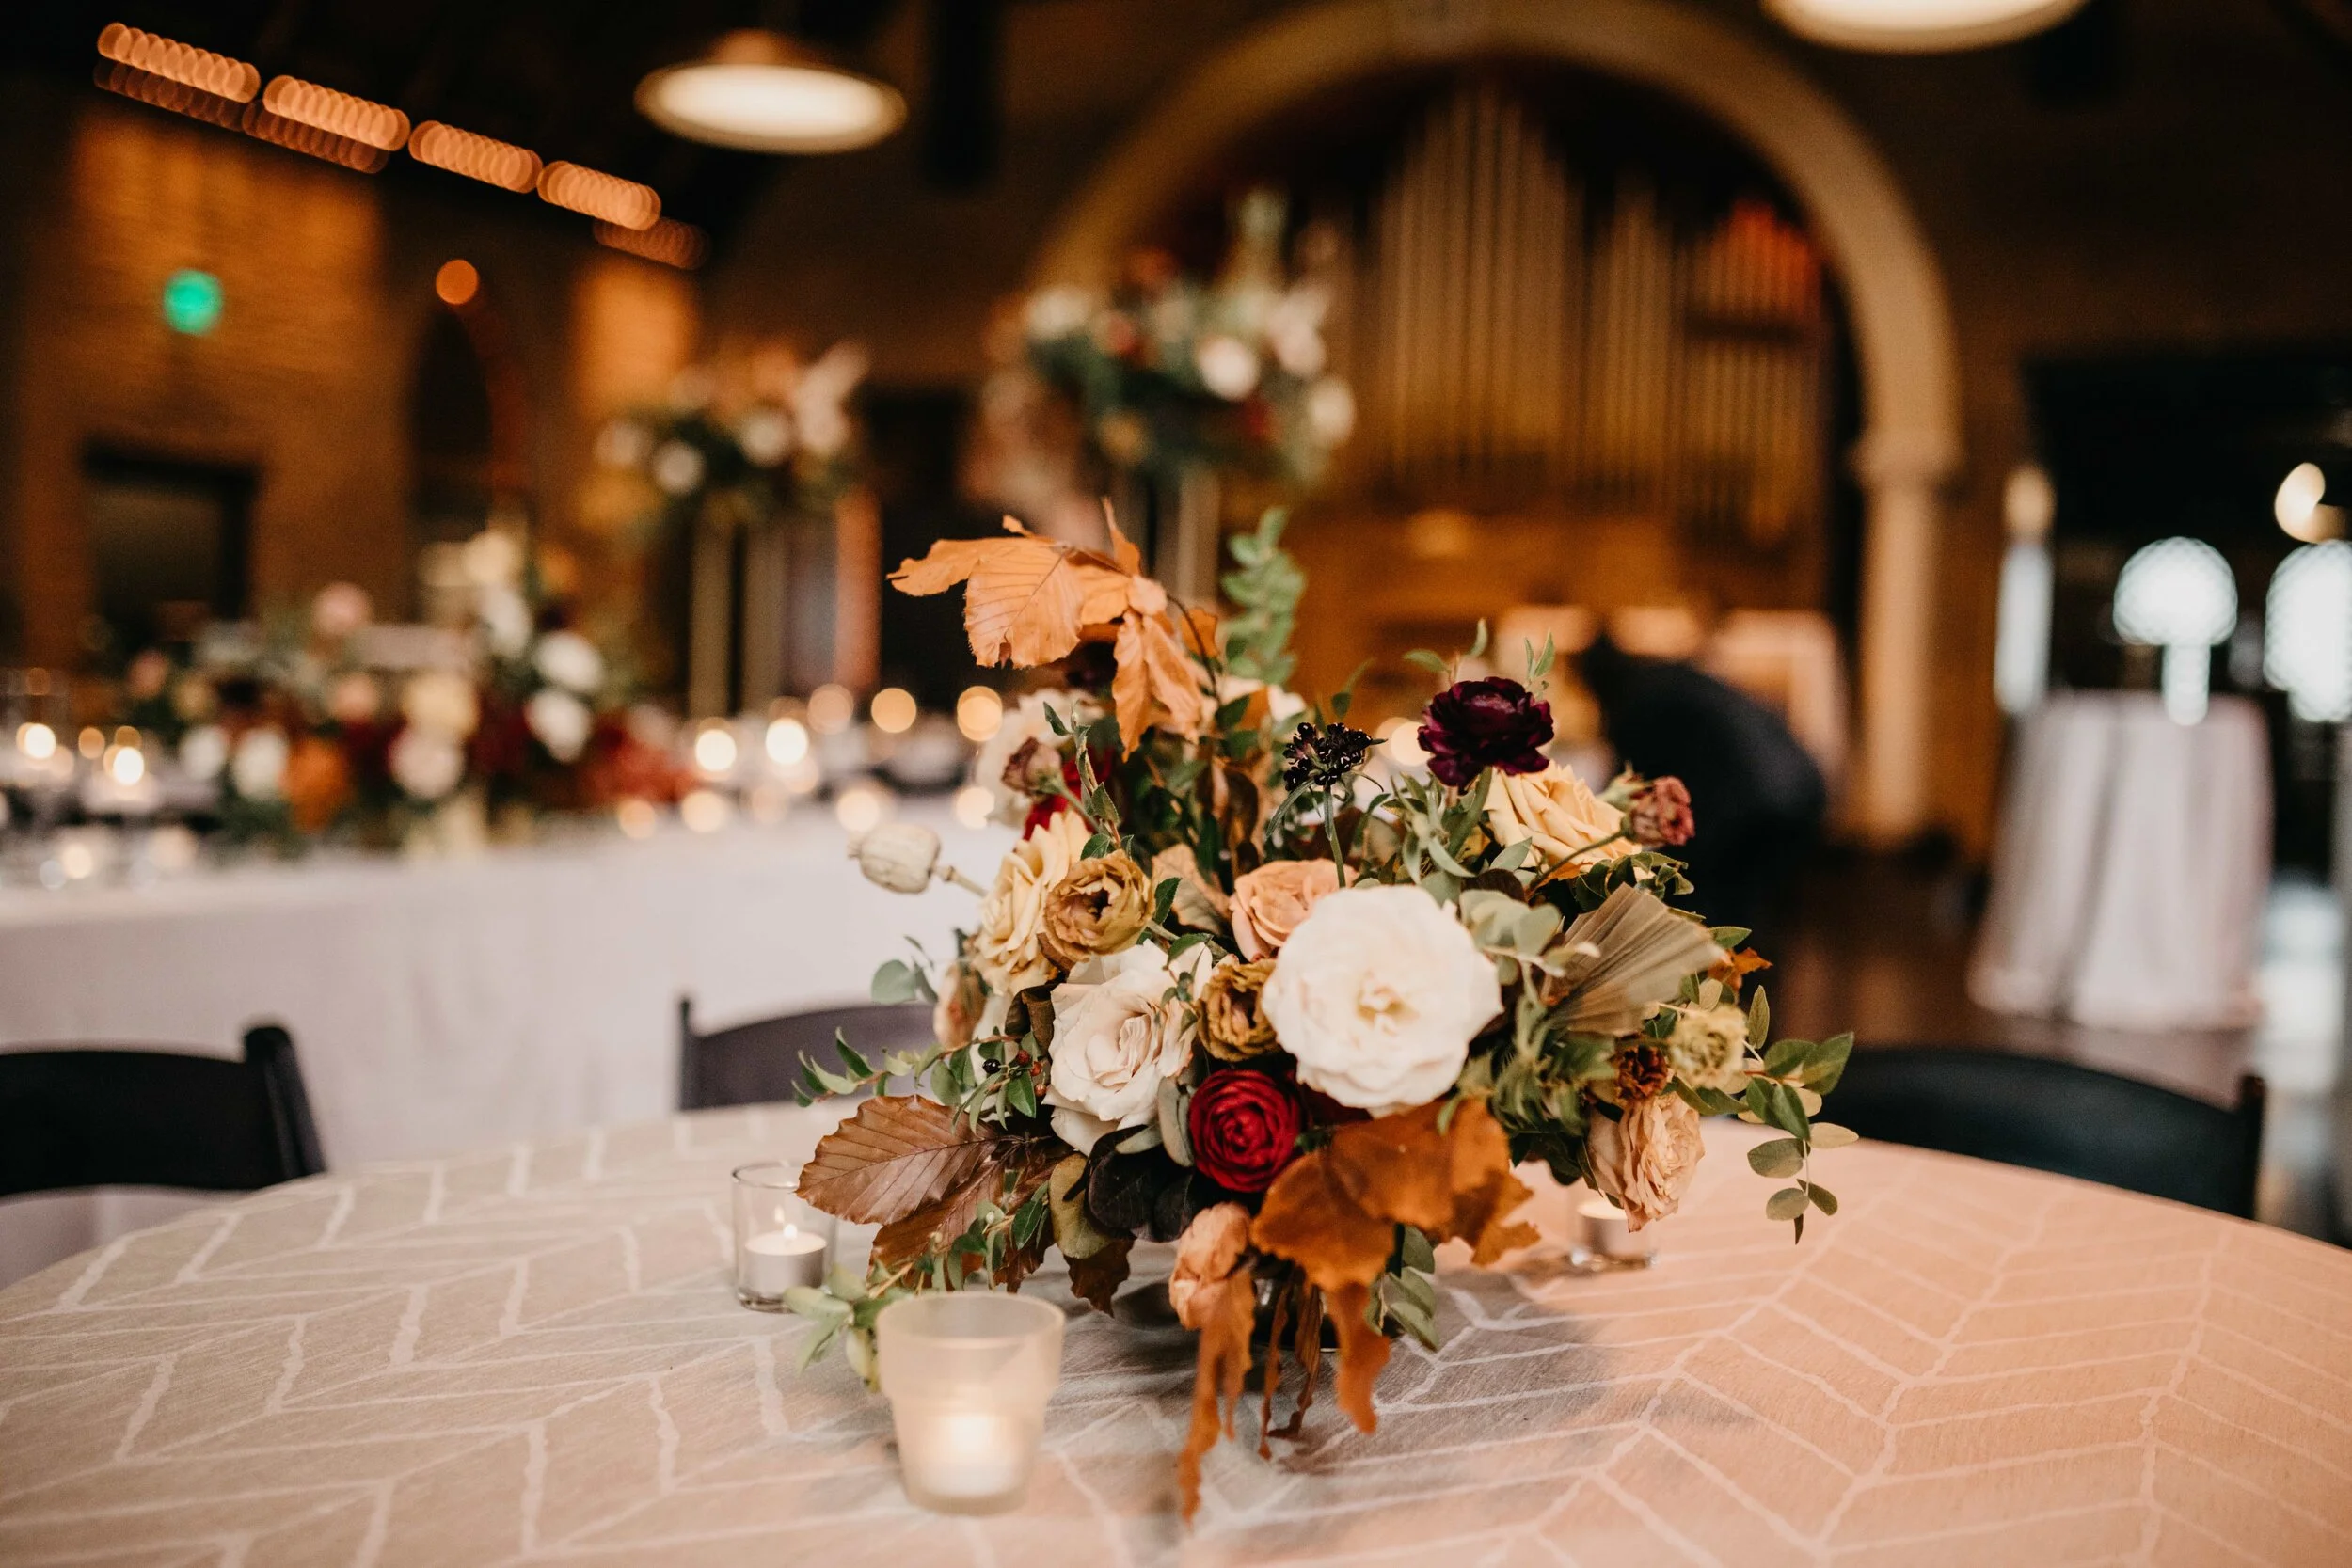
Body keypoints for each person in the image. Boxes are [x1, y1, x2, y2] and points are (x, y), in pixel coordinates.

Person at [1577, 634, 1827, 944]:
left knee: (1711, 896)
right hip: (1799, 786)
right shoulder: (1670, 677)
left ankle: (1718, 976)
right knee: (1740, 902)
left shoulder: (1639, 700)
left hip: (1761, 802)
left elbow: (1624, 790)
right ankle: (1732, 973)